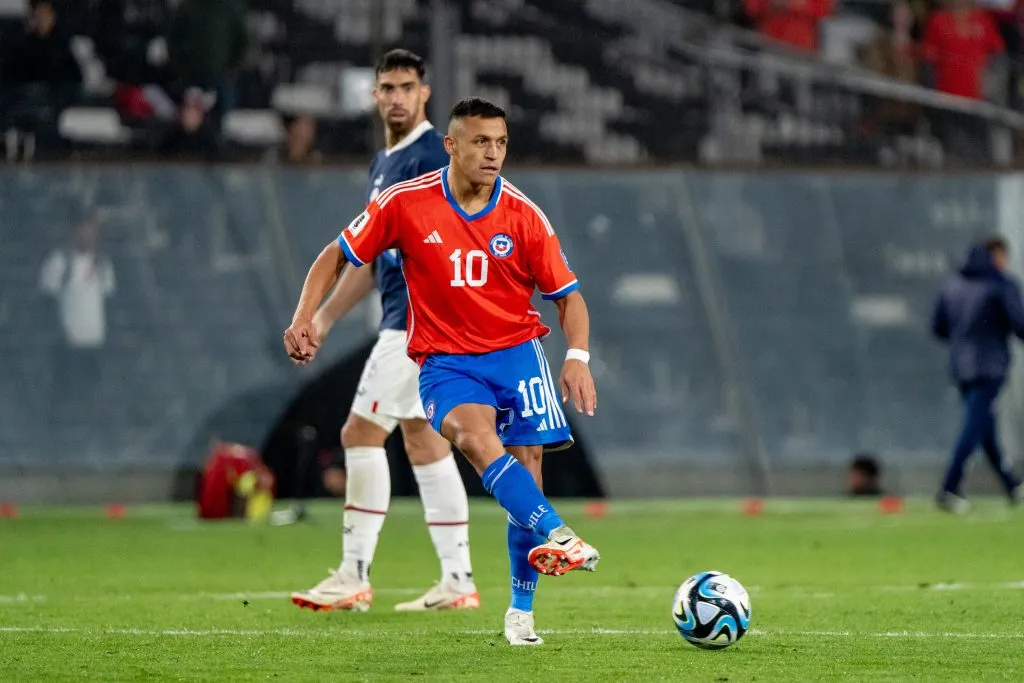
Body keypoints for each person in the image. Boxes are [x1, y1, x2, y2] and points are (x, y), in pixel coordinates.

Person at [284, 96, 600, 646]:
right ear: (450, 145)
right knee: (474, 440)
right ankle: (559, 533)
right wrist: (305, 316)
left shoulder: (524, 215)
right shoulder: (404, 203)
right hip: (446, 361)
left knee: (526, 472)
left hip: (517, 354)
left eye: (501, 143)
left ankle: (520, 616)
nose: (493, 154)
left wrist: (577, 356)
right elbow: (336, 253)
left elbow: (567, 297)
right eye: (481, 142)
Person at [288, 50, 479, 614]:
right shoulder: (385, 163)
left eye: (406, 86)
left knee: (359, 433)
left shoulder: (426, 157)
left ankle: (353, 575)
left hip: (418, 324)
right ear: (374, 96)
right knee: (423, 440)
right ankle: (458, 579)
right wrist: (322, 318)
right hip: (416, 321)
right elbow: (370, 260)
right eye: (387, 87)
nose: (396, 96)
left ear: (424, 94)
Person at [931, 237, 1024, 512]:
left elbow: (938, 326)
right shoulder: (1000, 285)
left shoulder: (952, 284)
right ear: (996, 255)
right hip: (991, 366)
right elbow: (1020, 324)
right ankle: (950, 486)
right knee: (974, 426)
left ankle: (1012, 485)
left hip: (961, 366)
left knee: (984, 427)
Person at [39, 211, 115, 423]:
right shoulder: (59, 262)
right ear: (74, 230)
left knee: (94, 398)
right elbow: (46, 301)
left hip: (95, 343)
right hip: (67, 344)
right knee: (63, 398)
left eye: (94, 229)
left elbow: (108, 300)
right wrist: (60, 333)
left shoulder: (103, 264)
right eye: (85, 228)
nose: (90, 234)